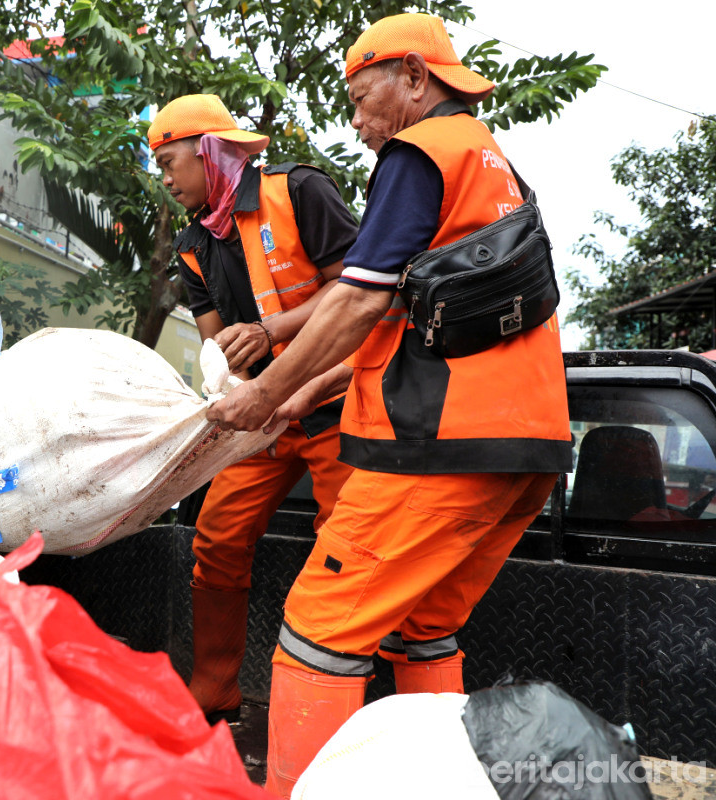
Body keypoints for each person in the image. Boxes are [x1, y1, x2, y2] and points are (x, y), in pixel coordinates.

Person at [205, 14, 574, 796]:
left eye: (363, 97)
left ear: (413, 77)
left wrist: (264, 389)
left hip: (440, 450)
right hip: (527, 447)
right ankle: (436, 784)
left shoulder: (419, 153)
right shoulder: (493, 165)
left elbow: (356, 303)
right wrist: (300, 396)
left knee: (314, 633)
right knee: (425, 629)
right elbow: (426, 324)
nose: (359, 121)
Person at [146, 94, 360, 724]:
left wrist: (271, 331)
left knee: (343, 548)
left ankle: (342, 707)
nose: (164, 178)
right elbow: (218, 342)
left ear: (209, 150)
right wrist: (238, 388)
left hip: (339, 400)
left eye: (169, 161)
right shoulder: (192, 245)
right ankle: (214, 690)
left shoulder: (298, 192)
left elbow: (359, 290)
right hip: (264, 414)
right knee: (216, 538)